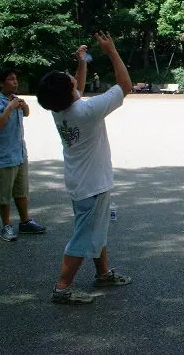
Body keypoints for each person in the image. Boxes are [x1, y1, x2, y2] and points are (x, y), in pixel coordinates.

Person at [37, 33, 133, 305]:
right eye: (67, 76)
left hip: (81, 183)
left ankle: (103, 273)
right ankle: (62, 287)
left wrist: (81, 64)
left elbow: (75, 89)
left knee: (95, 229)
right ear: (69, 91)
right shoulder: (88, 110)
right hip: (93, 185)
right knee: (83, 237)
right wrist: (112, 50)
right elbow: (125, 85)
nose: (70, 76)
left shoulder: (60, 110)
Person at [0, 66, 45, 242]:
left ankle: (25, 221)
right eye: (11, 79)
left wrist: (24, 106)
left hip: (19, 153)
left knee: (21, 191)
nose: (15, 82)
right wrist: (9, 108)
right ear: (0, 83)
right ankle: (6, 226)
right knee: (4, 194)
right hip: (3, 157)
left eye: (15, 78)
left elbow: (26, 114)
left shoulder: (15, 100)